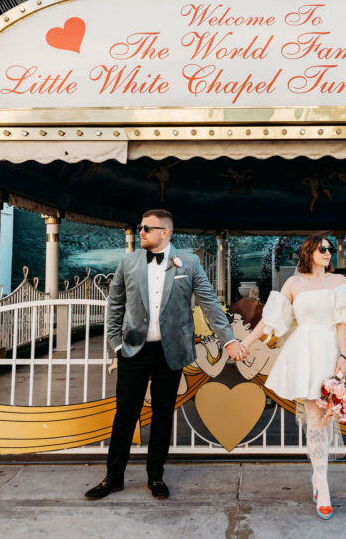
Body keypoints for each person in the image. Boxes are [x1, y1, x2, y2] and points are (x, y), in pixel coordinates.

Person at [86, 209, 246, 501]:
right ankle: (113, 477)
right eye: (140, 227)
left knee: (162, 415)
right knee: (125, 414)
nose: (141, 232)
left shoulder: (190, 262)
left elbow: (210, 304)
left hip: (171, 352)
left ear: (165, 233)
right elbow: (115, 304)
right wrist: (116, 344)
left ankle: (155, 476)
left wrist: (229, 341)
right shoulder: (128, 261)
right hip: (134, 351)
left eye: (147, 228)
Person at [239, 234, 346, 520]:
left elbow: (343, 323)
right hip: (305, 351)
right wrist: (246, 344)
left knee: (329, 415)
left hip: (332, 349)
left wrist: (343, 357)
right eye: (322, 248)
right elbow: (271, 320)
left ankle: (319, 477)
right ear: (309, 252)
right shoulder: (293, 283)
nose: (328, 253)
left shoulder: (338, 282)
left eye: (330, 248)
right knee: (315, 418)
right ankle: (321, 481)